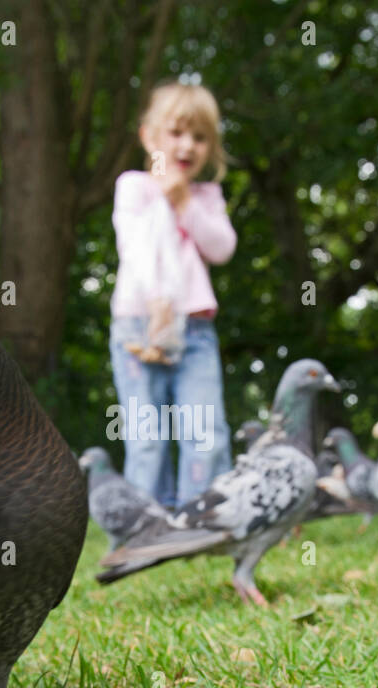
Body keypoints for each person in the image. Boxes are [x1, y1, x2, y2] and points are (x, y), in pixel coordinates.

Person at [109, 82, 237, 508]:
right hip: (138, 325)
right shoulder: (134, 187)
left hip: (195, 331)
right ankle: (147, 526)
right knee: (147, 435)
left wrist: (185, 203)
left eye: (200, 137)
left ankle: (203, 521)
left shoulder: (206, 196)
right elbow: (135, 249)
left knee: (205, 429)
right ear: (149, 136)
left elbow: (221, 248)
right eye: (177, 133)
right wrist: (158, 302)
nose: (188, 145)